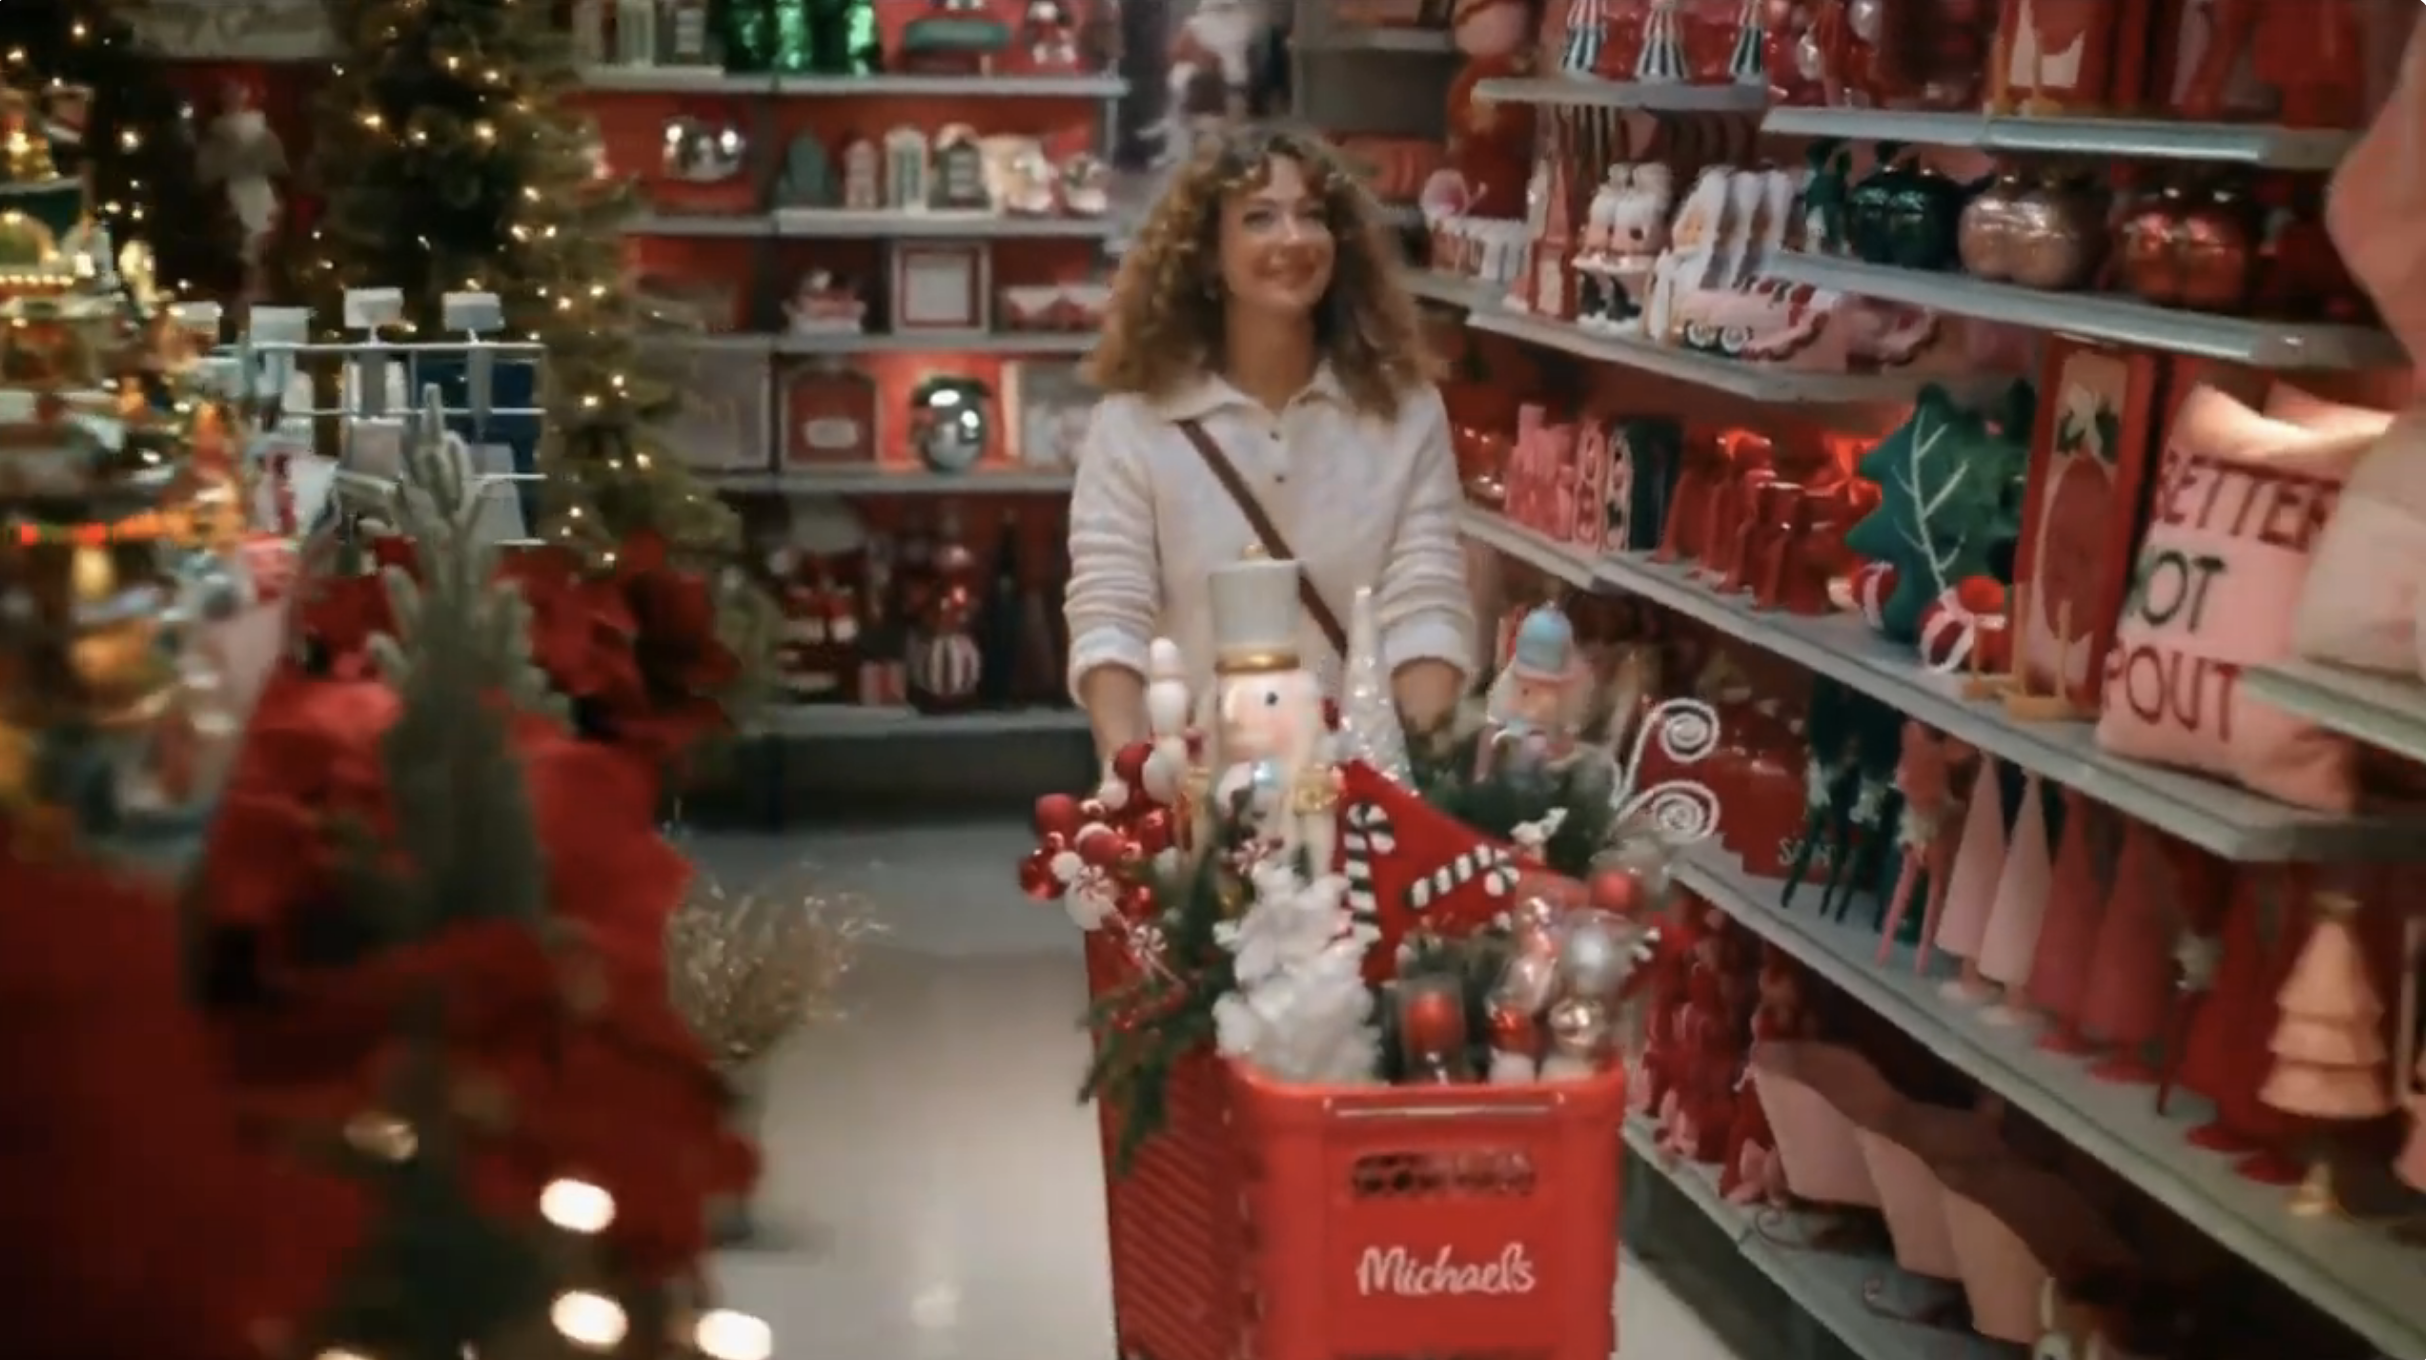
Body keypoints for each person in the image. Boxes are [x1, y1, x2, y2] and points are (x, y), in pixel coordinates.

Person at [1064, 123, 1475, 758]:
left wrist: (1421, 775)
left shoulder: (1405, 413)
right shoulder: (1135, 425)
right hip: (1196, 797)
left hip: (1361, 793)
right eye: (1260, 218)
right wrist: (1127, 776)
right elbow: (1110, 615)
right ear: (1206, 253)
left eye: (1312, 216)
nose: (1293, 238)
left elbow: (1426, 602)